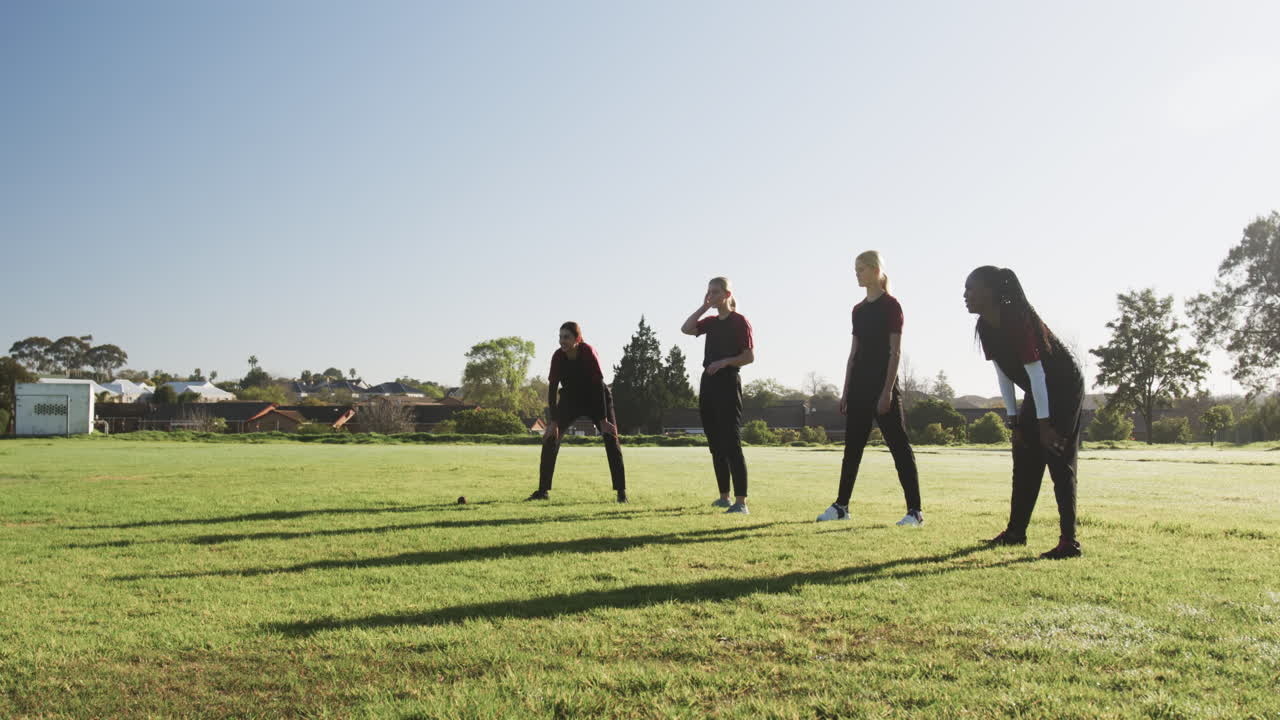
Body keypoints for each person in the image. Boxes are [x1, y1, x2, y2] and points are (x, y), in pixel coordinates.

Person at [964, 266, 1084, 559]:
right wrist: (1015, 421)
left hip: (1063, 386)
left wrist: (1045, 426)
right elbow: (1004, 374)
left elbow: (1038, 373)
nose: (965, 295)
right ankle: (1016, 532)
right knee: (1024, 457)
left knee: (1057, 456)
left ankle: (1069, 543)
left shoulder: (1016, 320)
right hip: (1037, 390)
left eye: (971, 288)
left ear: (990, 292)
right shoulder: (985, 325)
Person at [817, 251, 923, 526]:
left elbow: (895, 352)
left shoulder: (891, 306)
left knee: (899, 448)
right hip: (858, 389)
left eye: (861, 269)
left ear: (876, 270)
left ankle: (915, 512)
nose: (857, 273)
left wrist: (887, 391)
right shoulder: (858, 310)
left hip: (883, 387)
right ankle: (841, 506)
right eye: (855, 269)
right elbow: (853, 353)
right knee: (852, 450)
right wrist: (846, 391)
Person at [527, 322, 627, 503]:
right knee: (550, 438)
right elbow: (552, 389)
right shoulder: (558, 356)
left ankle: (621, 493)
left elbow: (598, 385)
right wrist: (553, 422)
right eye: (560, 337)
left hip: (596, 398)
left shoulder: (588, 352)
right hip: (570, 399)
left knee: (611, 438)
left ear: (577, 339)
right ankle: (543, 491)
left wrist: (603, 419)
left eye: (566, 337)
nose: (562, 341)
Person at [681, 276, 754, 514]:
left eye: (715, 292)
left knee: (731, 441)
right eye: (708, 292)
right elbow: (686, 328)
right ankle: (724, 497)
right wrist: (703, 307)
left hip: (728, 382)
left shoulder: (739, 321)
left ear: (727, 294)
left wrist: (724, 362)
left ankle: (741, 503)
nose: (711, 295)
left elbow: (749, 356)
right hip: (708, 383)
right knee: (715, 444)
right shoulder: (710, 322)